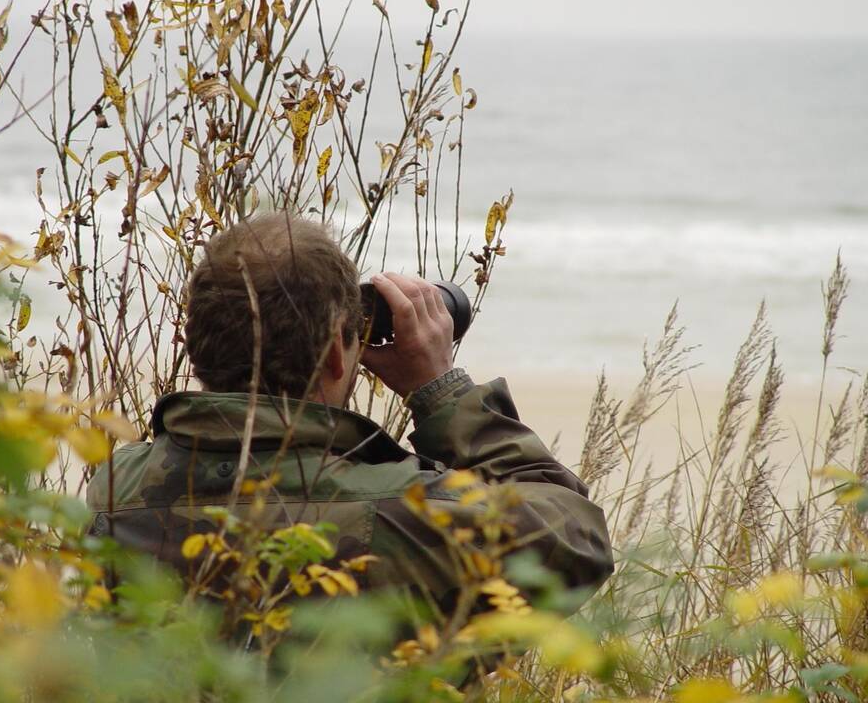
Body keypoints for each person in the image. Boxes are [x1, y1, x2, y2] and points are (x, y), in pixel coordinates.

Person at [87, 212, 613, 611]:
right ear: (339, 354)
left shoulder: (114, 495)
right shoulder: (402, 516)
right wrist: (441, 390)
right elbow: (576, 541)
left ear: (196, 346)